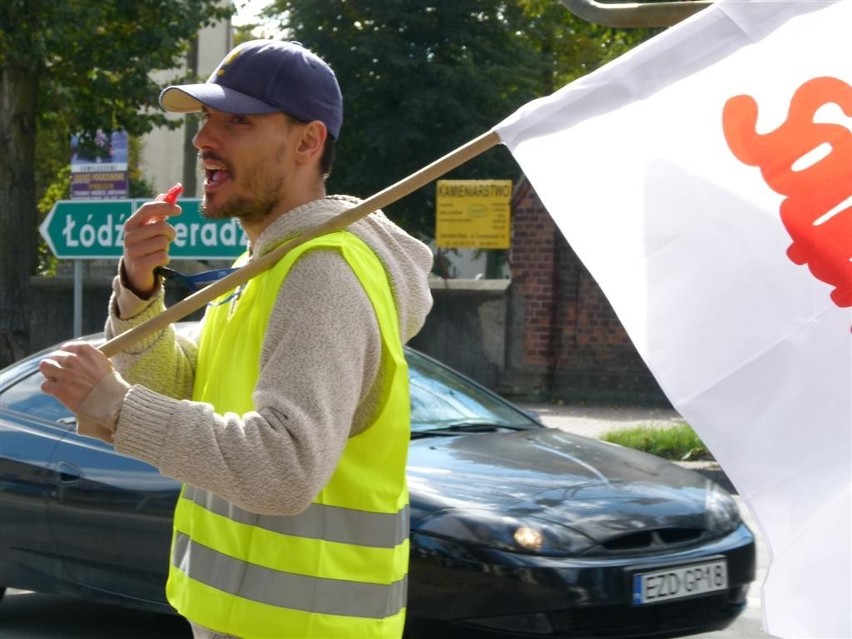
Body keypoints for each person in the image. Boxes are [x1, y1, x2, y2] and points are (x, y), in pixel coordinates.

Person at [39, 39, 434, 639]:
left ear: (308, 142)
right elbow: (181, 387)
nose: (203, 140)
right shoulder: (267, 264)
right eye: (205, 120)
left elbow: (283, 468)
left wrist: (112, 404)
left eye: (237, 121)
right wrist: (140, 292)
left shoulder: (321, 271)